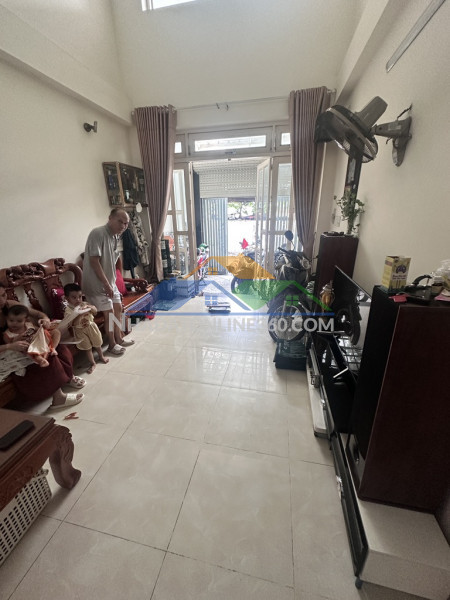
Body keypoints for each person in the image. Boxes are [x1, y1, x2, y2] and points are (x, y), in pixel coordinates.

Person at [0, 284, 85, 409]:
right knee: (44, 357)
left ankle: (67, 377)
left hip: (25, 341)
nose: (2, 300)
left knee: (58, 347)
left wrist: (45, 319)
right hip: (7, 349)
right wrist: (11, 346)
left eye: (3, 295)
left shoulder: (10, 305)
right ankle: (59, 398)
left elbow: (38, 314)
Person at [82, 208, 134, 355]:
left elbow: (113, 261)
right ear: (110, 218)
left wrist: (113, 283)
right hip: (97, 284)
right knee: (110, 313)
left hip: (109, 283)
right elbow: (94, 261)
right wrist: (106, 284)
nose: (123, 226)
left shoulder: (115, 236)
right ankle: (111, 344)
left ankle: (119, 338)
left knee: (118, 308)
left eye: (126, 223)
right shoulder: (98, 233)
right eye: (120, 222)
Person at [63, 282, 109, 373]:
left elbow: (95, 312)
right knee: (87, 348)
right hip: (80, 331)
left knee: (97, 343)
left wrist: (90, 307)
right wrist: (79, 314)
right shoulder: (68, 310)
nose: (78, 300)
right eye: (74, 297)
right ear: (67, 298)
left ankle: (101, 356)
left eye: (80, 296)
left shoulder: (84, 304)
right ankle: (93, 363)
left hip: (91, 326)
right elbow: (72, 324)